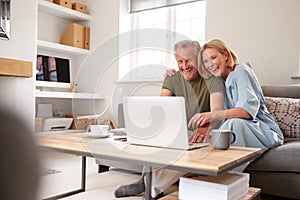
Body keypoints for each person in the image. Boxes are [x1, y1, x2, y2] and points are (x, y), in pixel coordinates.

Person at [114, 40, 224, 199]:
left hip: (203, 134)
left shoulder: (213, 78)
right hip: (180, 131)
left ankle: (148, 186)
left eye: (188, 60)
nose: (184, 66)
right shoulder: (172, 78)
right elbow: (160, 108)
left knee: (189, 145)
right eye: (180, 61)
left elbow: (217, 111)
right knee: (159, 135)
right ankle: (147, 182)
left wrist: (204, 128)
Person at [191, 38, 284, 152]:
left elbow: (246, 112)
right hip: (235, 127)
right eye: (205, 61)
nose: (210, 64)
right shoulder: (218, 81)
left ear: (225, 55)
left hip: (263, 130)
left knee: (234, 124)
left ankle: (221, 166)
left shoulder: (241, 71)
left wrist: (212, 115)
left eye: (213, 58)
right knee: (203, 135)